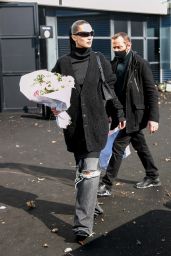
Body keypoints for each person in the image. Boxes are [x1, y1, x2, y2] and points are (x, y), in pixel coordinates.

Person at [51, 20, 126, 244]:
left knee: (90, 172)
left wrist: (120, 114)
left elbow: (110, 91)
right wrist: (52, 106)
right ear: (74, 36)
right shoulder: (63, 63)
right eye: (84, 33)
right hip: (74, 128)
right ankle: (92, 205)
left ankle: (82, 226)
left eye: (92, 33)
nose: (90, 36)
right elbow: (52, 93)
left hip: (96, 125)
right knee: (82, 169)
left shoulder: (100, 60)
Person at [98, 32, 161, 197]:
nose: (116, 50)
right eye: (114, 47)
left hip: (136, 113)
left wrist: (153, 118)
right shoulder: (113, 64)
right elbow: (113, 93)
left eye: (119, 46)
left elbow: (151, 92)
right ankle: (153, 175)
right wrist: (110, 113)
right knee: (140, 144)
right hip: (122, 113)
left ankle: (107, 184)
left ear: (128, 45)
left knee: (118, 146)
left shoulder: (140, 63)